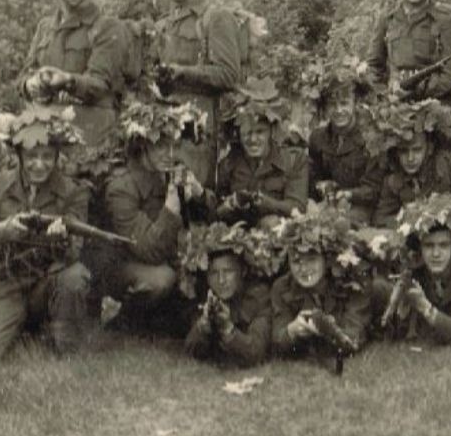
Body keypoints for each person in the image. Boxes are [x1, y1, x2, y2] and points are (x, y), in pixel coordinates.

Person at [0, 105, 94, 366]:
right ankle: (19, 328)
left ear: (57, 157)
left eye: (47, 156)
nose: (39, 164)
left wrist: (60, 240)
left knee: (74, 277)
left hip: (45, 286)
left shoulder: (73, 192)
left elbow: (75, 251)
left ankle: (64, 345)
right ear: (19, 155)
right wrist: (1, 232)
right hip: (4, 287)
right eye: (32, 156)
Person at [144, 0, 256, 188]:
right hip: (164, 127)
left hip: (199, 130)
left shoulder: (215, 18)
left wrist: (181, 72)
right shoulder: (162, 25)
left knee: (194, 197)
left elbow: (229, 75)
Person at [97, 100, 210, 328]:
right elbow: (149, 250)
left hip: (161, 256)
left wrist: (199, 195)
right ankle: (124, 320)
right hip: (123, 267)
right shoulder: (122, 186)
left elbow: (205, 221)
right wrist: (170, 209)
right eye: (161, 146)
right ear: (143, 146)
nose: (170, 154)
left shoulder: (169, 172)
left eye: (175, 145)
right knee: (162, 280)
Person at [17, 0, 132, 150]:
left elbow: (100, 84)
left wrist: (67, 80)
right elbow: (23, 75)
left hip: (89, 136)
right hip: (45, 133)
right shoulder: (45, 27)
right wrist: (29, 84)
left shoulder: (108, 27)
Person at [371, 193, 451, 345]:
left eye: (444, 245)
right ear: (420, 249)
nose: (436, 254)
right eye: (429, 246)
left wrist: (425, 308)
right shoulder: (414, 269)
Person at [268, 203, 372, 363]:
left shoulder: (352, 281)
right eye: (296, 261)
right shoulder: (282, 287)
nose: (303, 269)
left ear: (328, 259)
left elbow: (353, 340)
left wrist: (328, 330)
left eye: (311, 260)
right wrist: (291, 331)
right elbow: (277, 340)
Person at [362, 99, 451, 226]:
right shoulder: (393, 179)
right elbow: (380, 219)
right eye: (403, 151)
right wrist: (409, 219)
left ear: (429, 148)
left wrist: (442, 208)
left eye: (417, 150)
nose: (410, 158)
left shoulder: (450, 164)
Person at [213, 78, 309, 225]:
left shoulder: (293, 160)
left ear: (271, 131)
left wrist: (268, 204)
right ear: (238, 134)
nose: (253, 139)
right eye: (247, 133)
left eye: (260, 132)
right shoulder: (229, 163)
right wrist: (230, 205)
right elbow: (216, 211)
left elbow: (298, 207)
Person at [180, 223, 273, 367]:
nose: (221, 280)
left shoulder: (258, 297)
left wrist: (228, 329)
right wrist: (203, 324)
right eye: (214, 273)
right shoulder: (204, 295)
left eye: (228, 272)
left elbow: (255, 352)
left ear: (243, 271)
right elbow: (191, 351)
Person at [300, 56, 381, 219]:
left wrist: (348, 195)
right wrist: (320, 185)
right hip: (328, 205)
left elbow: (374, 189)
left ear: (355, 103)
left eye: (344, 103)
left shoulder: (371, 138)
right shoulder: (318, 138)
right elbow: (313, 176)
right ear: (324, 106)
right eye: (332, 104)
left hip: (361, 208)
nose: (338, 110)